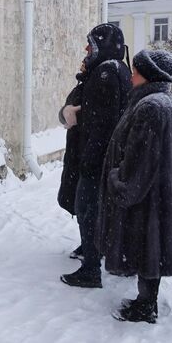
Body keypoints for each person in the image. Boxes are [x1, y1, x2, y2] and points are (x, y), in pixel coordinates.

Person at [95, 49, 172, 323]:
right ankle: (145, 302)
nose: (132, 75)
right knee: (151, 250)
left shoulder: (152, 107)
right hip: (156, 194)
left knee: (148, 248)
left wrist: (120, 181)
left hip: (147, 198)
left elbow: (141, 160)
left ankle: (145, 307)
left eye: (137, 71)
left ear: (150, 75)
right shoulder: (157, 102)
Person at [58, 23, 132, 288]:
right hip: (103, 158)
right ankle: (101, 254)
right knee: (95, 210)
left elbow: (104, 124)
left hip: (97, 159)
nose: (87, 49)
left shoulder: (106, 74)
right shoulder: (111, 70)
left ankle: (91, 269)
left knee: (87, 209)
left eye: (91, 44)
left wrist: (91, 162)